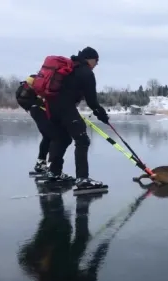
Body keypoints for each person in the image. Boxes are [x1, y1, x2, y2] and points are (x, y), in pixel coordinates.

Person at [44, 47, 109, 190]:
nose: (97, 64)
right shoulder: (86, 73)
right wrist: (102, 114)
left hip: (52, 107)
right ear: (89, 59)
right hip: (66, 108)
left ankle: (53, 173)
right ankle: (82, 179)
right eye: (96, 60)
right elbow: (92, 101)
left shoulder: (71, 68)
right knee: (82, 140)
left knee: (62, 139)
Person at [15, 74, 74, 180]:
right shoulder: (52, 82)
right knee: (57, 137)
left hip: (35, 109)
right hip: (39, 109)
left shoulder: (39, 80)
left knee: (48, 137)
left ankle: (41, 164)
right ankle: (53, 170)